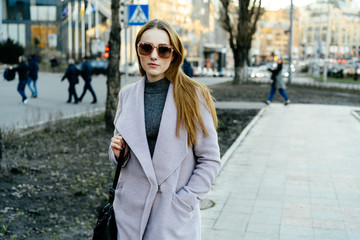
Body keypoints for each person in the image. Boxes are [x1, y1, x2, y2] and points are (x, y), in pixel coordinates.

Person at [108, 19, 221, 239]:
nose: (153, 56)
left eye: (163, 50)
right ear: (138, 49)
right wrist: (116, 153)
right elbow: (122, 153)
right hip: (129, 211)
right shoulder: (127, 94)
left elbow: (210, 159)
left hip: (171, 214)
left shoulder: (193, 95)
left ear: (174, 55)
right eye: (146, 47)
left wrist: (184, 201)